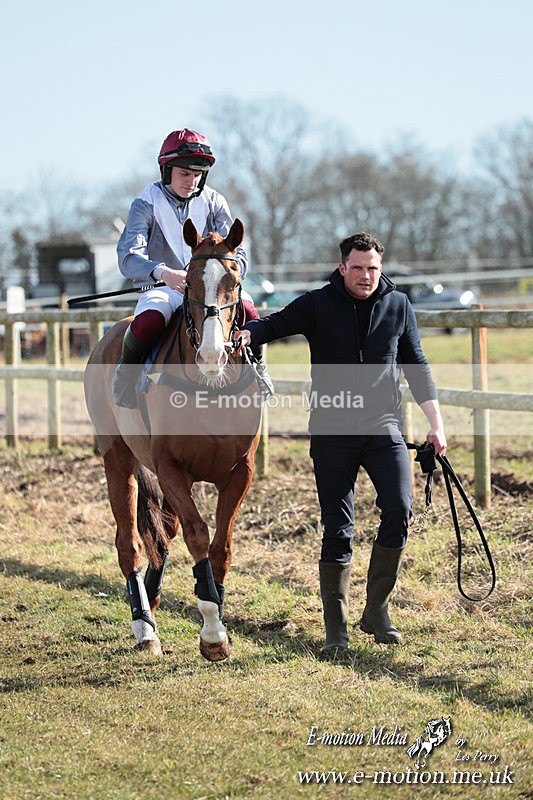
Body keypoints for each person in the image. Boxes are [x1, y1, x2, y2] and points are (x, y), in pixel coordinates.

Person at [234, 231, 447, 653]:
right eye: (358, 267)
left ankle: (377, 611)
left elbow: (416, 363)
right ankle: (337, 628)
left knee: (400, 509)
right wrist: (247, 334)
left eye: (373, 268)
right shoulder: (318, 302)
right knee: (338, 526)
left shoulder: (398, 304)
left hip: (384, 425)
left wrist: (436, 423)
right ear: (342, 267)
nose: (366, 276)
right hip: (332, 429)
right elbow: (275, 324)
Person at [112, 127, 272, 408]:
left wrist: (229, 279)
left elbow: (239, 251)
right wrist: (164, 273)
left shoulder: (214, 200)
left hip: (212, 289)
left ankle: (259, 368)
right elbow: (128, 256)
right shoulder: (145, 203)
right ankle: (125, 376)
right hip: (166, 286)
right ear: (167, 170)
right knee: (147, 322)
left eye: (197, 174)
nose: (192, 181)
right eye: (185, 174)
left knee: (249, 311)